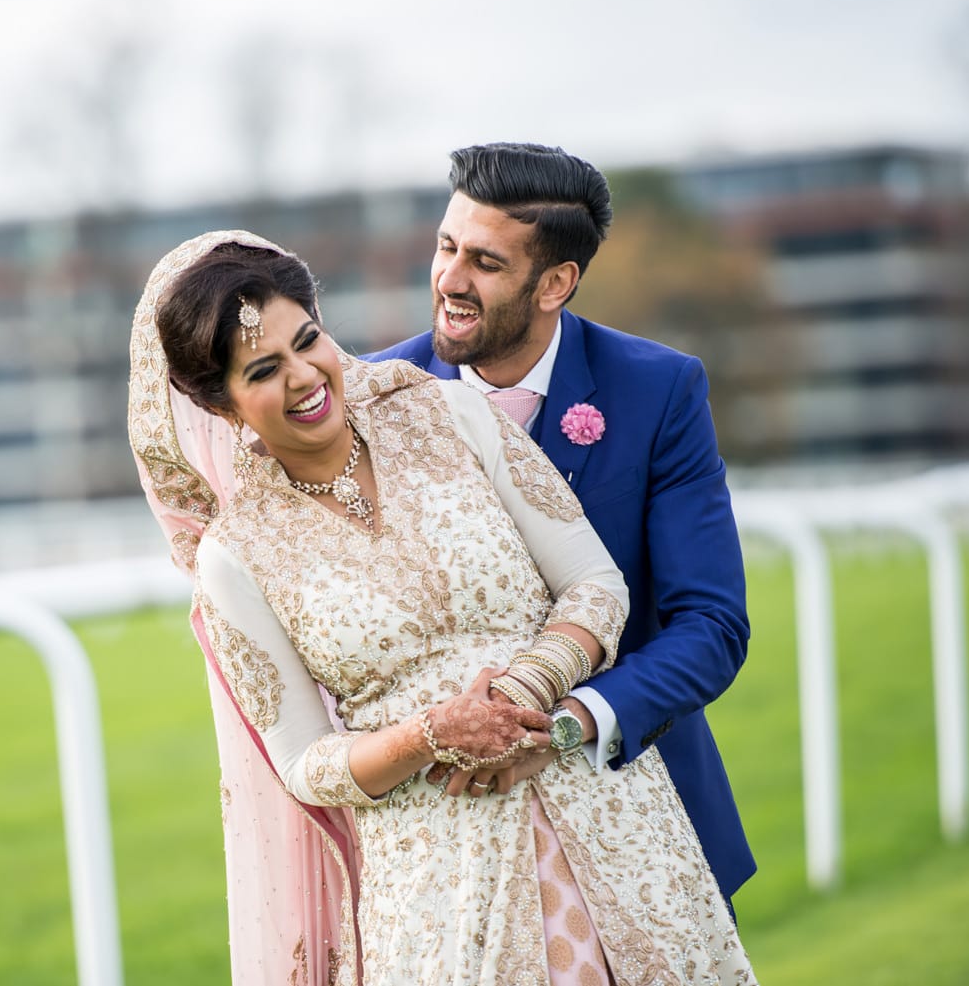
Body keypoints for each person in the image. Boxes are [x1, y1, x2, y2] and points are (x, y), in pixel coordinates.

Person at [128, 230, 755, 984]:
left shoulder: (452, 416)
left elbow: (597, 583)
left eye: (308, 340)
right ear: (220, 404)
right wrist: (431, 734)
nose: (304, 376)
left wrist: (523, 699)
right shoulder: (235, 557)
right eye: (265, 369)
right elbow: (303, 762)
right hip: (438, 884)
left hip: (607, 820)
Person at [366, 143, 755, 908]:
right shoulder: (375, 401)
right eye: (447, 246)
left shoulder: (660, 390)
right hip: (449, 847)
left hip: (645, 813)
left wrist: (569, 722)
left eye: (485, 261)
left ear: (556, 283)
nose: (449, 279)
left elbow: (711, 624)